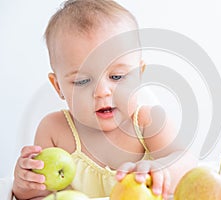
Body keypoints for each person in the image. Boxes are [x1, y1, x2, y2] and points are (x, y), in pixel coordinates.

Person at [12, 0, 198, 199]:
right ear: (58, 87)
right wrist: (25, 183)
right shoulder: (54, 131)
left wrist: (163, 171)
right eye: (82, 81)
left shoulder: (148, 122)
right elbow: (36, 195)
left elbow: (187, 162)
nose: (102, 92)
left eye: (117, 77)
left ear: (140, 74)